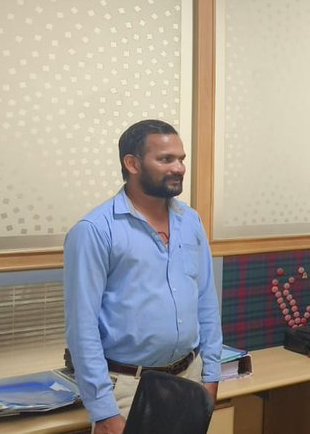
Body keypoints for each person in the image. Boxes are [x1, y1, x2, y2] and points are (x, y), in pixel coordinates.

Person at [63, 119, 223, 434]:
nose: (179, 168)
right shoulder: (95, 230)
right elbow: (82, 329)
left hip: (189, 379)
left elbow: (206, 301)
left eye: (181, 159)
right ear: (132, 164)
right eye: (166, 159)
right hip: (126, 389)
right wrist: (104, 411)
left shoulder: (190, 221)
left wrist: (211, 377)